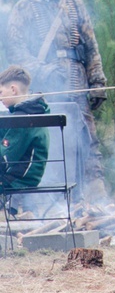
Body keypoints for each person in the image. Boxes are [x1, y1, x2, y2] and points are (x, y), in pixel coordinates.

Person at [6, 0, 108, 202]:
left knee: (87, 140)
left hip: (75, 80)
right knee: (43, 140)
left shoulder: (75, 4)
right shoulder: (24, 6)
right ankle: (41, 199)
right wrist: (43, 69)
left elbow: (91, 46)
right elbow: (15, 48)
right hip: (41, 84)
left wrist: (97, 82)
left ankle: (95, 198)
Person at [0, 65, 50, 203]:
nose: (0, 98)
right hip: (22, 175)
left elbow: (5, 156)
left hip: (18, 180)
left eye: (1, 92)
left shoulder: (23, 119)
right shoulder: (30, 112)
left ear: (13, 90)